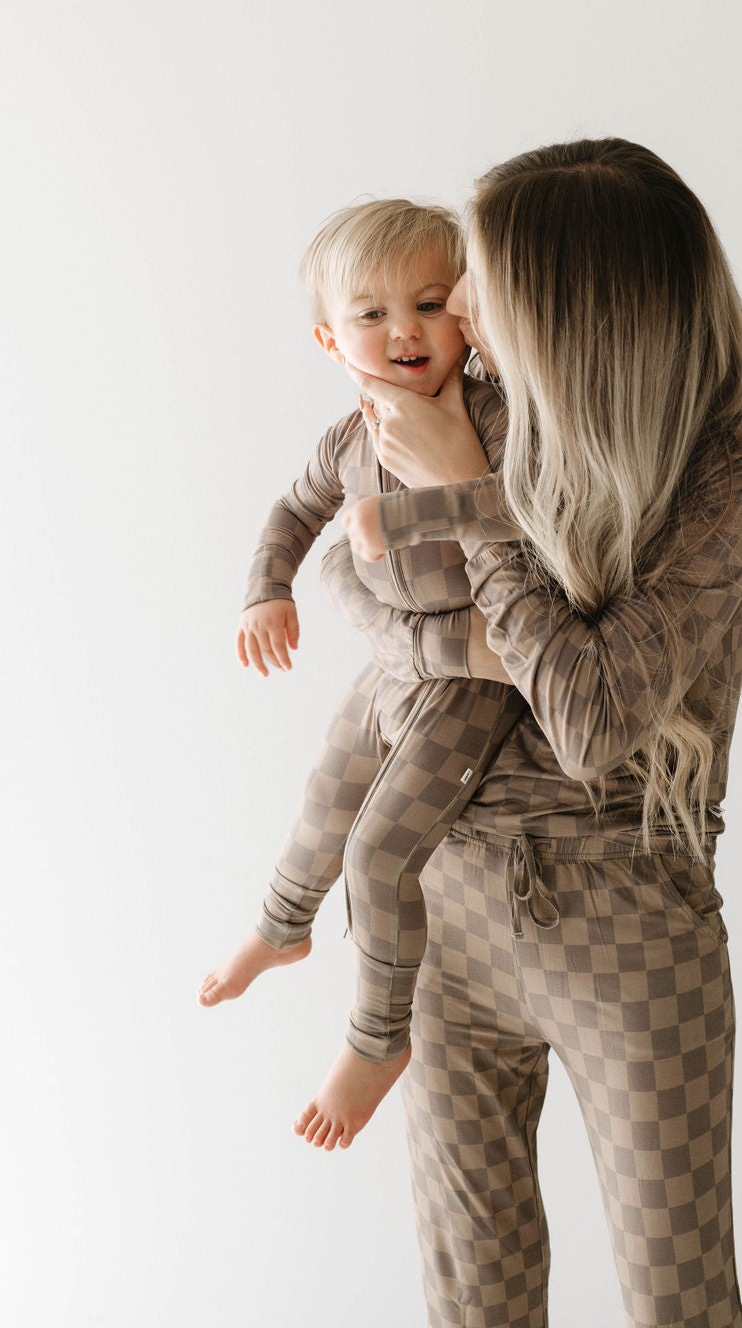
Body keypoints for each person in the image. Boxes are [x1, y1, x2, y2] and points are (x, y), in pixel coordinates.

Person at [308, 137, 742, 1328]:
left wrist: (464, 502)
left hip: (630, 923)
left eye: (473, 285)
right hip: (444, 905)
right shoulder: (489, 412)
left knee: (677, 1298)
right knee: (473, 1291)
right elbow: (353, 585)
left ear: (565, 302)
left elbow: (592, 720)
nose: (452, 313)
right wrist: (504, 632)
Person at [197, 199, 529, 1121]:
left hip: (473, 682)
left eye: (429, 304)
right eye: (372, 315)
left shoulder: (497, 416)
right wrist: (269, 587)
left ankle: (377, 1039)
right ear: (329, 339)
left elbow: (525, 513)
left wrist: (411, 512)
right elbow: (291, 514)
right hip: (394, 669)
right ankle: (281, 924)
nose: (405, 331)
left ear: (468, 313)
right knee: (324, 796)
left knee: (380, 850)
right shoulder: (348, 439)